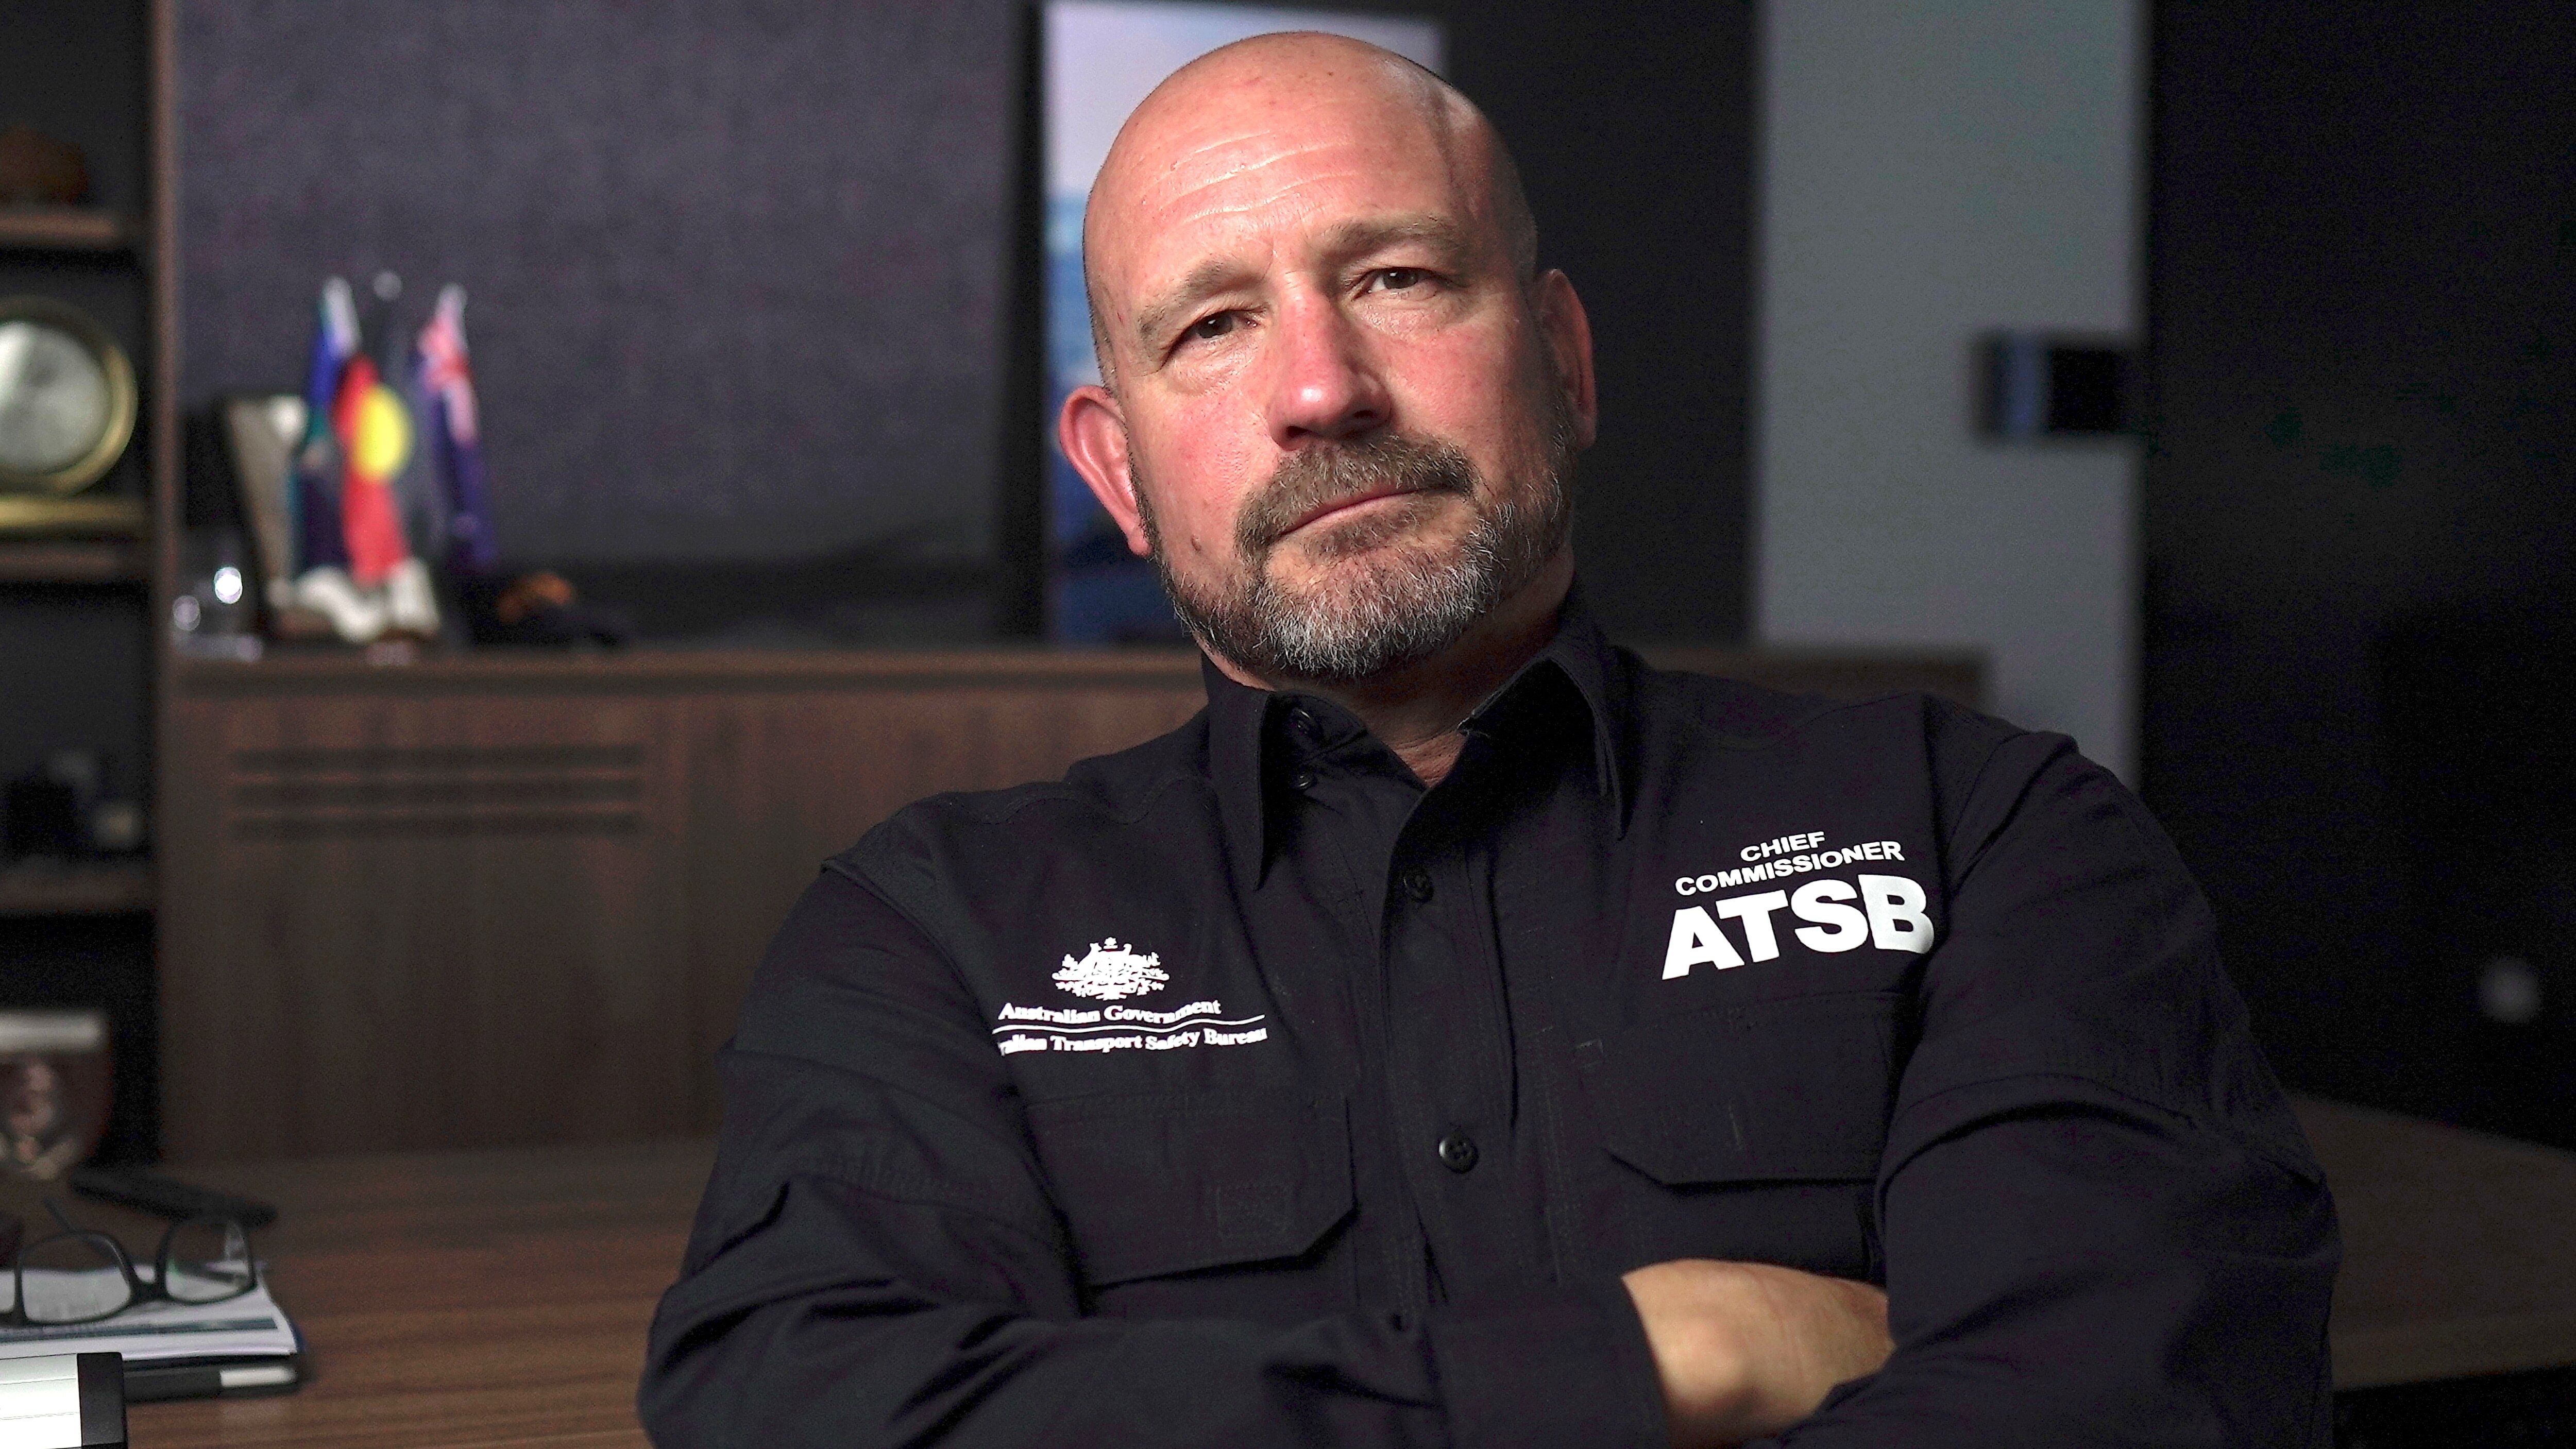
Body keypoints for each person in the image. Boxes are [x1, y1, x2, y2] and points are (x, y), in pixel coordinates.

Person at [640, 32, 2337, 1448]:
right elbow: (801, 1403)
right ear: (1114, 474)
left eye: (1396, 276)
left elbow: (2118, 1400)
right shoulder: (932, 925)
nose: (1323, 390)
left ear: (1567, 360)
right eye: (1212, 326)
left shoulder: (1983, 830)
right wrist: (1664, 1359)